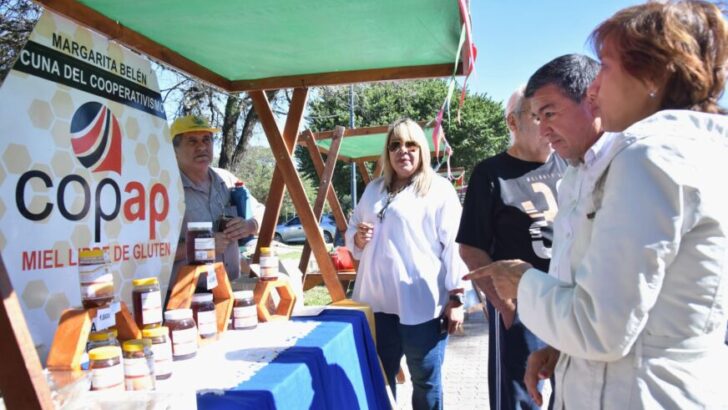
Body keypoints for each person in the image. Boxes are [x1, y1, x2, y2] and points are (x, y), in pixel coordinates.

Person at [465, 2, 728, 408]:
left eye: (605, 65)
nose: (595, 85)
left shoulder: (649, 158)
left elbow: (600, 327)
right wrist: (561, 349)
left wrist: (522, 280)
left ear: (653, 73)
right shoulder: (683, 151)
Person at [457, 85, 567, 409]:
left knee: (571, 391)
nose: (549, 126)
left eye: (552, 116)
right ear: (513, 123)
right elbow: (471, 248)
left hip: (568, 303)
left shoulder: (568, 166)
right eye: (538, 116)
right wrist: (503, 305)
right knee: (519, 399)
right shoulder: (491, 174)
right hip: (521, 309)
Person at [346, 118, 466, 409]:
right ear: (387, 153)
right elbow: (352, 233)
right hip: (376, 305)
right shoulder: (373, 189)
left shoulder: (439, 189)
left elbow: (455, 245)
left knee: (425, 381)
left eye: (411, 144)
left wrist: (457, 297)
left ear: (422, 150)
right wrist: (358, 238)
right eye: (395, 145)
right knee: (380, 378)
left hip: (422, 306)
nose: (404, 151)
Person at [169, 114, 264, 287]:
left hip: (231, 287)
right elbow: (152, 253)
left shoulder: (226, 179)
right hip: (188, 296)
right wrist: (202, 246)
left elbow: (263, 213)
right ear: (173, 150)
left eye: (207, 139)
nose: (201, 147)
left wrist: (249, 225)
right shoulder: (166, 190)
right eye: (192, 141)